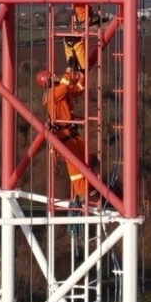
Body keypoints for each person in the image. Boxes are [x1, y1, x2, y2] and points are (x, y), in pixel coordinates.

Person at [39, 69, 96, 203]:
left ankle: (89, 186)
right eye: (51, 76)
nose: (54, 76)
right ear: (48, 81)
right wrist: (68, 72)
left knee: (84, 159)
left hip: (71, 131)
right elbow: (65, 87)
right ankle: (82, 191)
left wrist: (81, 78)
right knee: (75, 164)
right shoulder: (52, 95)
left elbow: (76, 90)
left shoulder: (59, 92)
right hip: (63, 134)